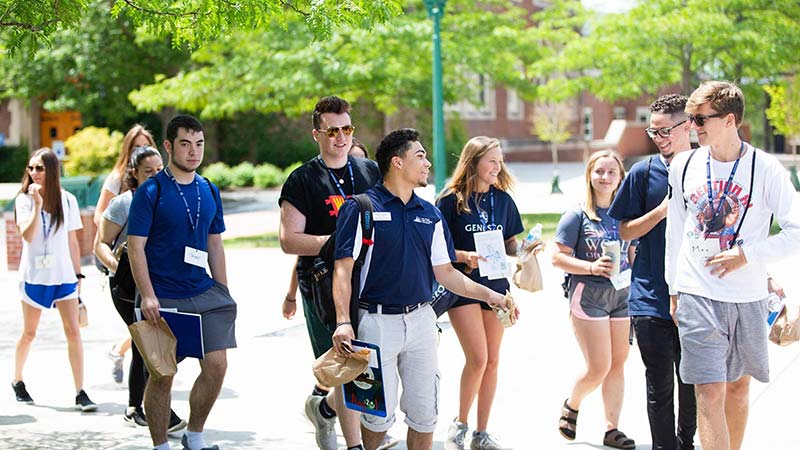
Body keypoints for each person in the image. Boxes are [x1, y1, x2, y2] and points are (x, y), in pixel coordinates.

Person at [331, 128, 514, 450]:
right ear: (397, 162)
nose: (428, 163)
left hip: (422, 324)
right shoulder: (360, 207)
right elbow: (343, 269)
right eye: (420, 156)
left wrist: (491, 296)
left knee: (424, 416)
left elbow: (446, 272)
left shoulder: (429, 213)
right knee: (375, 418)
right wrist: (344, 321)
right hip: (374, 326)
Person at [665, 81, 800, 450]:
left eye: (699, 118)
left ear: (728, 120)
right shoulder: (684, 164)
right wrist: (673, 289)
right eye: (691, 119)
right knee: (708, 392)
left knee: (738, 390)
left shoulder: (767, 169)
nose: (692, 126)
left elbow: (797, 230)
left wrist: (748, 255)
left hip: (748, 296)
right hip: (696, 292)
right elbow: (675, 230)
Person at [128, 115, 237, 450]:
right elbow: (136, 247)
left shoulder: (208, 189)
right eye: (185, 144)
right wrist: (147, 295)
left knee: (217, 366)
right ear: (168, 146)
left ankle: (195, 436)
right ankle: (161, 445)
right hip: (161, 297)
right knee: (163, 374)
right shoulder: (151, 191)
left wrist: (223, 290)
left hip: (203, 292)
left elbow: (215, 243)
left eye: (199, 144)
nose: (193, 152)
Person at [278, 96, 381, 450]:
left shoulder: (369, 170)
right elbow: (289, 240)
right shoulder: (302, 180)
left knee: (367, 364)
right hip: (322, 284)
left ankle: (323, 410)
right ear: (317, 134)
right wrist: (338, 242)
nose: (341, 137)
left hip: (370, 280)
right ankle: (356, 445)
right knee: (347, 362)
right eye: (333, 131)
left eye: (347, 129)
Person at [608, 94, 697, 450]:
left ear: (688, 125)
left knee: (691, 382)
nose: (658, 138)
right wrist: (661, 211)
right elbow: (625, 230)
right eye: (653, 131)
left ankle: (684, 443)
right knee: (659, 384)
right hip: (648, 297)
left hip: (695, 295)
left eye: (665, 131)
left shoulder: (707, 169)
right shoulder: (645, 172)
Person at [436, 136, 523, 450]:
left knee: (493, 362)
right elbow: (436, 250)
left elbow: (510, 243)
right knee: (478, 358)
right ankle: (459, 424)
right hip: (464, 288)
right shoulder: (450, 201)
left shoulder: (503, 200)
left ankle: (481, 434)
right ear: (473, 162)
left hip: (498, 287)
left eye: (500, 160)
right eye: (491, 161)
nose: (497, 167)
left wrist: (525, 249)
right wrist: (463, 257)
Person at [93, 146, 186, 432]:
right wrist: (115, 265)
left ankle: (136, 407)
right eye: (149, 171)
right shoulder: (124, 203)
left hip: (162, 282)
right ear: (134, 174)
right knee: (150, 342)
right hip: (126, 285)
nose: (157, 175)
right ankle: (158, 410)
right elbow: (100, 244)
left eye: (160, 169)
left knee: (144, 343)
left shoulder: (170, 198)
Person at [553, 150, 637, 449]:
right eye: (599, 171)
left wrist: (634, 262)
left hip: (623, 296)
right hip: (588, 296)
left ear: (620, 178)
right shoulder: (577, 215)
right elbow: (557, 257)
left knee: (618, 363)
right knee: (598, 367)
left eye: (611, 172)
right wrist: (590, 267)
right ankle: (573, 402)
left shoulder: (626, 214)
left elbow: (630, 253)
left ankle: (612, 429)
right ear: (589, 175)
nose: (605, 177)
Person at [11, 147, 97, 412]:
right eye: (31, 168)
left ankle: (80, 391)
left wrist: (78, 275)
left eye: (40, 168)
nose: (34, 173)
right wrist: (37, 205)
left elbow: (72, 241)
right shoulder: (24, 200)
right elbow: (27, 235)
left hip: (62, 276)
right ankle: (17, 380)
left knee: (73, 331)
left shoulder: (68, 200)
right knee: (29, 332)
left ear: (52, 170)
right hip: (34, 276)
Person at [95, 124, 158, 384]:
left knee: (145, 333)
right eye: (136, 147)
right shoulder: (119, 191)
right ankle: (138, 404)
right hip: (124, 269)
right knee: (142, 331)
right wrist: (116, 262)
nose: (154, 174)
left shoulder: (165, 193)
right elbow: (102, 226)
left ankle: (141, 399)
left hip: (156, 272)